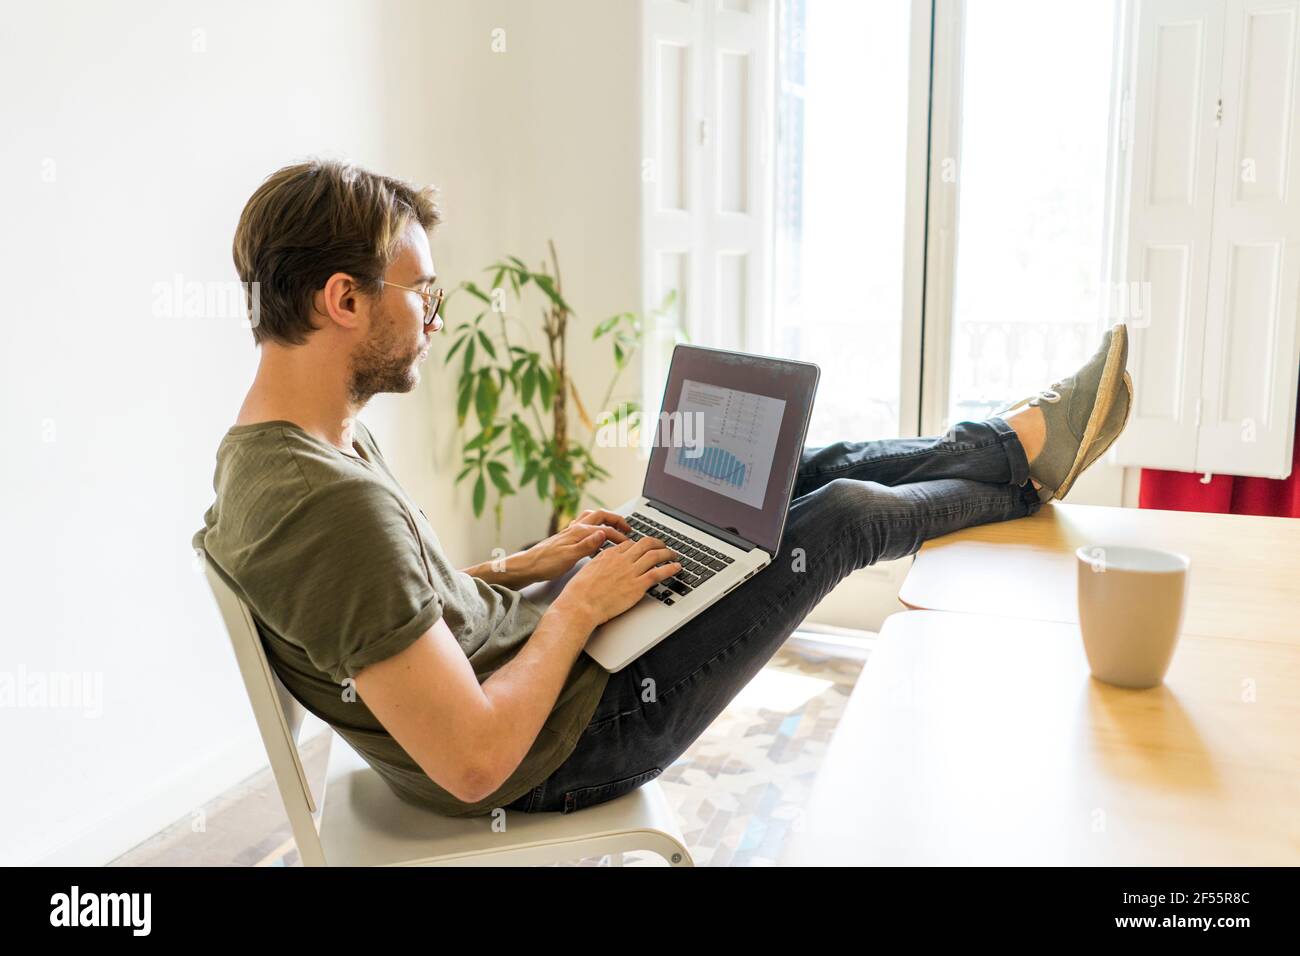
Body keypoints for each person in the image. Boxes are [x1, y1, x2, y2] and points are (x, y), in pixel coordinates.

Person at [194, 158, 1133, 817]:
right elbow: (474, 762)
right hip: (569, 742)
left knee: (796, 477)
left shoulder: (276, 456)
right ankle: (1021, 460)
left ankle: (1015, 442)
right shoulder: (328, 505)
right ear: (344, 300)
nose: (436, 317)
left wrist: (531, 567)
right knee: (840, 518)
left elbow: (389, 616)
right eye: (422, 293)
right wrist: (575, 611)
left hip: (540, 677)